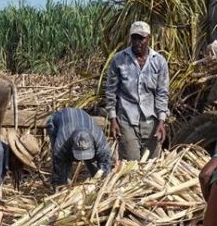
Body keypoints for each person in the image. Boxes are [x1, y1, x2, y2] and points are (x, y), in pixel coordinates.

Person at [105, 21, 169, 161]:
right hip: (126, 120)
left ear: (149, 38)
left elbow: (162, 93)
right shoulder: (119, 60)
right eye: (134, 38)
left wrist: (161, 122)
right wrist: (113, 120)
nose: (137, 42)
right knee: (131, 165)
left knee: (152, 165)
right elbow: (111, 92)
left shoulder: (159, 62)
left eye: (142, 38)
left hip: (151, 121)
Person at [46, 107, 113, 188]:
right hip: (58, 120)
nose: (81, 159)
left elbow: (105, 163)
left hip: (82, 118)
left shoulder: (99, 140)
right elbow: (59, 167)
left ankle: (93, 175)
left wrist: (103, 182)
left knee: (96, 167)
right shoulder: (61, 143)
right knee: (62, 168)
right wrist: (61, 186)